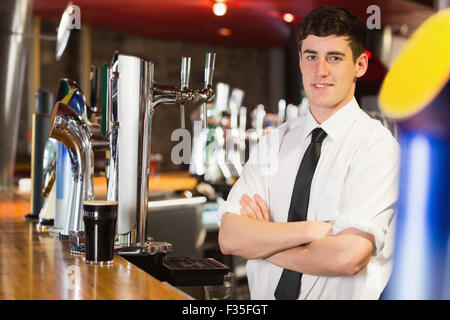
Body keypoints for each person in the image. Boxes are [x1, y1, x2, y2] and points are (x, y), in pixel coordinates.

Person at [217, 6, 399, 300]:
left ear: (361, 65)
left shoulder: (377, 148)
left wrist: (265, 243)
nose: (320, 71)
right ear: (300, 60)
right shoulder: (273, 143)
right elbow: (230, 237)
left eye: (335, 58)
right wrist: (315, 230)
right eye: (311, 56)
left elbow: (347, 257)